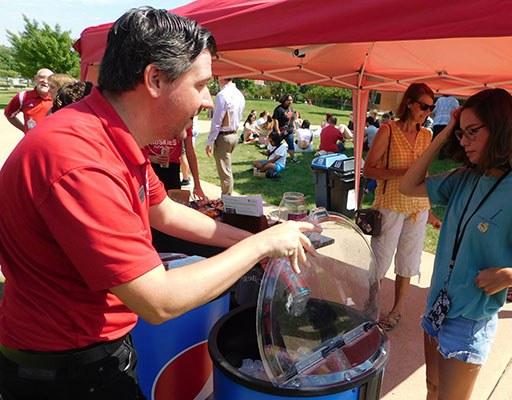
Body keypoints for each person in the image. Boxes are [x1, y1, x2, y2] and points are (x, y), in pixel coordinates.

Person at [0, 8, 319, 399]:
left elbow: (163, 211)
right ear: (154, 79)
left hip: (92, 353)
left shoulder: (110, 133)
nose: (208, 101)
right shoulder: (80, 159)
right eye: (201, 85)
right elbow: (159, 300)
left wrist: (252, 240)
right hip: (65, 372)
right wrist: (260, 246)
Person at [399, 88, 512, 400]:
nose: (464, 141)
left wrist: (510, 276)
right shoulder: (466, 177)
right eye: (461, 133)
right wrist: (442, 135)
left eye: (472, 132)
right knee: (432, 388)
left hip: (469, 320)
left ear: (500, 130)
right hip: (437, 306)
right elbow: (408, 185)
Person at [363, 83, 441, 332]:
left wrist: (430, 212)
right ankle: (369, 308)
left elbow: (424, 174)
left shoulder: (427, 135)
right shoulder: (388, 130)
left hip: (417, 208)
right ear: (409, 103)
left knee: (408, 261)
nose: (427, 112)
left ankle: (396, 311)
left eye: (431, 108)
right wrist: (402, 173)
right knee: (380, 260)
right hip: (390, 206)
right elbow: (368, 170)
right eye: (424, 106)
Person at [206, 77, 245, 195]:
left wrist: (210, 142)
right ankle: (227, 198)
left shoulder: (222, 95)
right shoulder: (239, 94)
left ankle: (226, 200)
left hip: (224, 136)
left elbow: (217, 121)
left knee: (225, 172)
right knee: (226, 169)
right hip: (233, 134)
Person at [4, 68, 53, 133]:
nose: (45, 81)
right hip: (33, 138)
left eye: (49, 79)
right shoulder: (23, 96)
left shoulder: (59, 98)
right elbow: (9, 114)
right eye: (42, 77)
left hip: (54, 137)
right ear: (36, 78)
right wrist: (24, 129)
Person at [432, 94, 460, 159]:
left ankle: (439, 155)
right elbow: (457, 111)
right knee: (449, 140)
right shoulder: (454, 100)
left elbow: (433, 110)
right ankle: (447, 155)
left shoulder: (439, 100)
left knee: (438, 140)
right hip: (449, 122)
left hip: (438, 122)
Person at [272, 94, 298, 163]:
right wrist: (277, 130)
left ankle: (292, 158)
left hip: (289, 131)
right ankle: (272, 156)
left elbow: (292, 119)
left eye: (291, 100)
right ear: (284, 100)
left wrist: (294, 127)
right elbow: (275, 120)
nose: (290, 102)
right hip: (280, 130)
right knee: (276, 144)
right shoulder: (279, 109)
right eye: (288, 100)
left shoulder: (291, 109)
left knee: (291, 144)